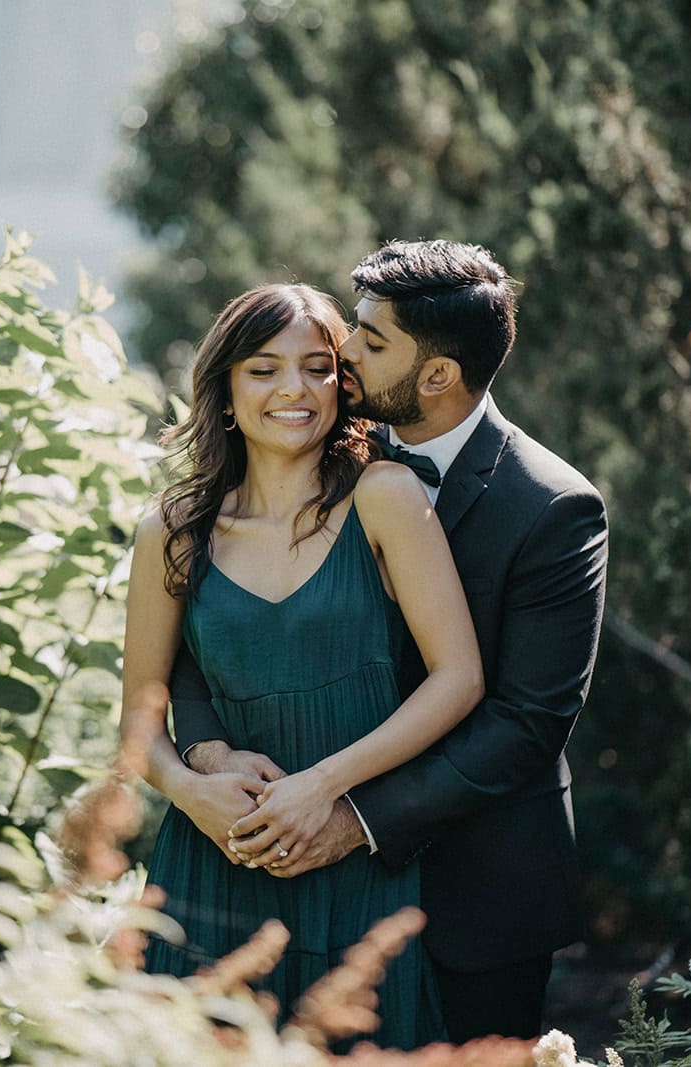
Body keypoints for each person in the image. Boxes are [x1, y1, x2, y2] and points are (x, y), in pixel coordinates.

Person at [172, 240, 609, 1042]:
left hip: (475, 894)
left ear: (436, 374)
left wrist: (353, 816)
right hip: (297, 878)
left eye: (370, 343)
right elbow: (208, 644)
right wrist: (206, 756)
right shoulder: (315, 451)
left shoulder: (551, 507)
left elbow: (529, 720)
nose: (341, 357)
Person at [116, 282, 484, 1049]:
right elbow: (139, 722)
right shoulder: (173, 530)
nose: (295, 389)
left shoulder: (385, 496)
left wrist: (322, 788)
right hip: (216, 858)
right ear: (224, 389)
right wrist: (193, 790)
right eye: (264, 368)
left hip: (353, 855)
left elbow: (459, 678)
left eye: (318, 367)